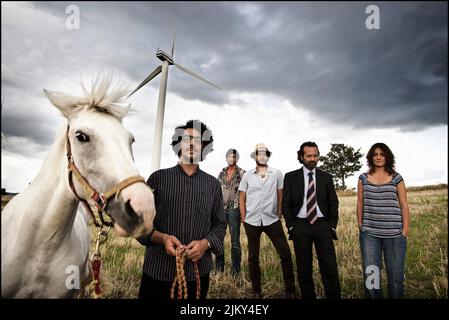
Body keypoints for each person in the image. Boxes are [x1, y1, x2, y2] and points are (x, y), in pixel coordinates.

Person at [137, 119, 226, 300]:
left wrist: (205, 244)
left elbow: (220, 225)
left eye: (198, 140)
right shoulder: (157, 179)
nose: (192, 143)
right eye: (186, 139)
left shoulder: (213, 185)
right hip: (157, 271)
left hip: (198, 273)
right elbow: (141, 226)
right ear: (178, 144)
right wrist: (162, 238)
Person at [282, 141, 341, 299]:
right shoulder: (290, 177)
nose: (312, 159)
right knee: (304, 270)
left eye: (315, 155)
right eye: (309, 156)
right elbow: (285, 204)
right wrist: (291, 226)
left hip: (323, 226)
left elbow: (333, 203)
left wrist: (332, 226)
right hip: (300, 226)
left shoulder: (326, 177)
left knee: (330, 268)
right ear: (301, 157)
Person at [239, 143, 296, 298]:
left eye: (265, 153)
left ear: (268, 156)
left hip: (272, 220)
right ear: (255, 156)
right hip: (252, 221)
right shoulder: (247, 175)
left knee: (285, 253)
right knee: (253, 257)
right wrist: (244, 218)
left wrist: (279, 213)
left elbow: (280, 194)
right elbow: (242, 197)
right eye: (259, 153)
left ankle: (290, 290)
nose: (262, 156)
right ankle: (256, 291)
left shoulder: (277, 173)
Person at [357, 142, 410, 299]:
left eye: (382, 154)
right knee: (371, 276)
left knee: (396, 277)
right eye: (375, 154)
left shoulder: (396, 177)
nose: (378, 157)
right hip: (369, 235)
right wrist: (361, 225)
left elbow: (404, 204)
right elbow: (360, 202)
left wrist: (405, 230)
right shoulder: (363, 178)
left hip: (395, 235)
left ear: (387, 156)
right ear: (371, 157)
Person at [215, 148, 245, 275]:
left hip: (234, 210)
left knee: (235, 242)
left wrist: (244, 212)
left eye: (233, 157)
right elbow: (217, 191)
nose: (231, 159)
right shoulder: (221, 173)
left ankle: (235, 271)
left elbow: (245, 193)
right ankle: (219, 269)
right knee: (218, 240)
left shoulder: (242, 173)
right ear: (226, 158)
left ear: (237, 158)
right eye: (229, 157)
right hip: (221, 210)